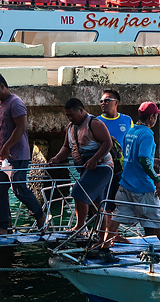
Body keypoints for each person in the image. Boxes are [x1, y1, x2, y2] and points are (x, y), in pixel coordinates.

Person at [101, 101, 160, 257]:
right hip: (142, 186)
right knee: (158, 219)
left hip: (125, 183)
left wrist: (152, 160)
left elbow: (132, 155)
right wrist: (156, 180)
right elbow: (143, 160)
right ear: (152, 117)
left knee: (118, 216)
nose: (156, 119)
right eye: (156, 116)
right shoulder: (147, 134)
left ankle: (104, 248)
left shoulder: (131, 131)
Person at [0, 73, 46, 235]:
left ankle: (40, 217)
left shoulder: (16, 103)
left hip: (16, 156)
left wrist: (7, 147)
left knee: (19, 189)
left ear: (2, 86)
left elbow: (21, 127)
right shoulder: (0, 105)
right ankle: (3, 226)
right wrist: (0, 150)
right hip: (0, 157)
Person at [48, 98, 114, 233]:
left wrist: (95, 159)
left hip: (101, 167)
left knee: (78, 191)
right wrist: (56, 158)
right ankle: (105, 235)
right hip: (85, 169)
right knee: (98, 203)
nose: (70, 118)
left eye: (72, 114)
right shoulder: (71, 127)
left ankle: (80, 226)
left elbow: (107, 143)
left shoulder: (94, 123)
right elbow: (67, 147)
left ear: (81, 110)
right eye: (67, 115)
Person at [97, 89, 132, 241]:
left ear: (116, 103)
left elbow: (131, 143)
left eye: (106, 100)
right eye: (101, 101)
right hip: (103, 168)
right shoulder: (97, 122)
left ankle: (113, 235)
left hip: (121, 169)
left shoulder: (126, 120)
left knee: (118, 203)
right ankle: (103, 236)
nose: (103, 103)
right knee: (104, 204)